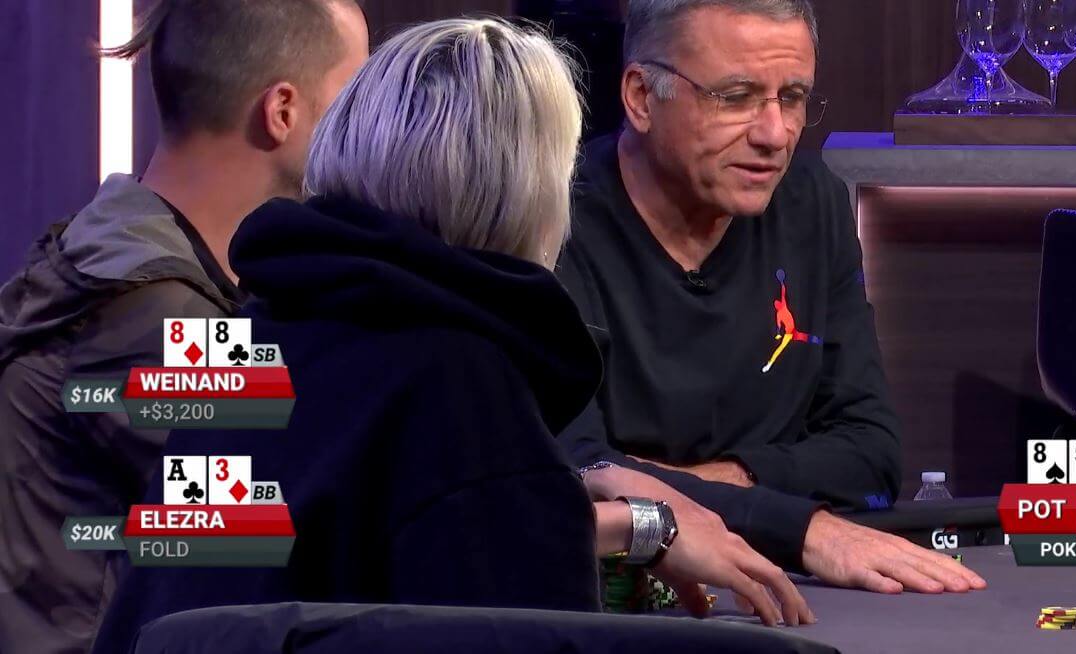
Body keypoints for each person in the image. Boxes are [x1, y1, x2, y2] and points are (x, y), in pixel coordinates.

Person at [92, 18, 812, 653]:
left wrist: (614, 516)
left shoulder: (253, 338)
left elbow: (315, 549)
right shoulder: (461, 385)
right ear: (528, 189)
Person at [557, 0, 988, 594]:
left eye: (792, 97)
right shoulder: (550, 220)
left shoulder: (812, 204)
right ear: (641, 98)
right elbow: (571, 467)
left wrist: (708, 483)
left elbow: (870, 453)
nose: (775, 134)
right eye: (735, 97)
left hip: (785, 594)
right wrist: (799, 528)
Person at [0, 2, 368, 652]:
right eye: (355, 95)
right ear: (282, 111)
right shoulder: (155, 314)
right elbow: (310, 525)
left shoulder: (127, 263)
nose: (369, 126)